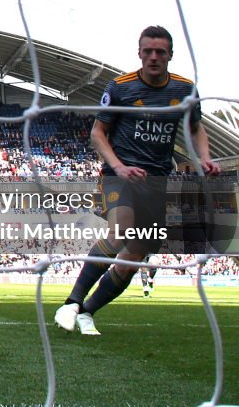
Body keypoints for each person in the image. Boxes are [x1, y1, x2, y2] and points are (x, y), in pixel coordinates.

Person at [54, 26, 220, 336]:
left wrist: (205, 157)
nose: (154, 57)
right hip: (119, 176)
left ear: (170, 55)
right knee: (120, 229)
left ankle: (88, 311)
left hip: (157, 181)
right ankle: (72, 302)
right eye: (148, 51)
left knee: (136, 254)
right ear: (139, 53)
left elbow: (196, 127)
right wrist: (119, 166)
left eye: (161, 52)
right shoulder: (120, 87)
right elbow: (97, 133)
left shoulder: (185, 90)